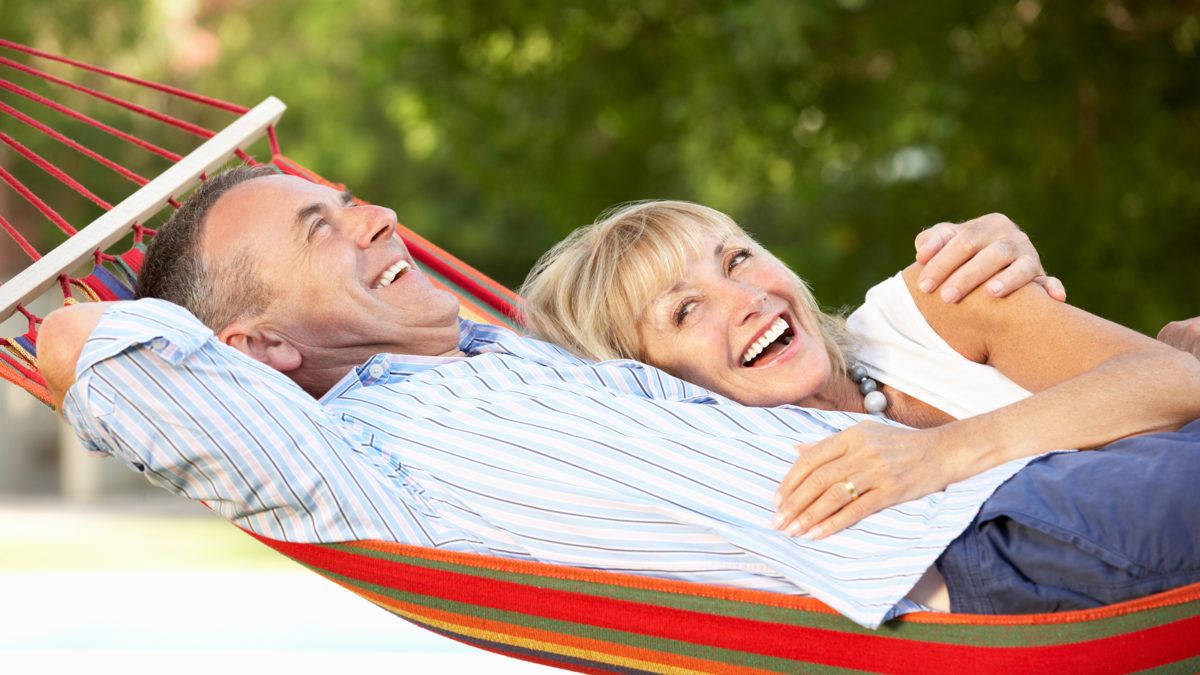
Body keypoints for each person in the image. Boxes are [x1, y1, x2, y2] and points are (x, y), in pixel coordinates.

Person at [29, 168, 1122, 628]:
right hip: (966, 553)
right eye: (323, 227)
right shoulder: (351, 461)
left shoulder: (519, 357)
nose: (377, 219)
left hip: (1028, 483)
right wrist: (105, 300)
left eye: (353, 201)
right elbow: (92, 345)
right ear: (255, 348)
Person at [519, 199, 1200, 613]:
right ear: (652, 379)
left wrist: (943, 453)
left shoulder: (929, 304)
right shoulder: (766, 494)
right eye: (685, 309)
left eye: (736, 259)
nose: (748, 297)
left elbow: (1176, 381)